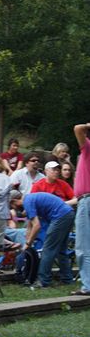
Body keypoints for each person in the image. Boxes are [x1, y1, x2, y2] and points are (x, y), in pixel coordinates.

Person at [9, 190, 75, 288]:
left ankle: (43, 281)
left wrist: (28, 243)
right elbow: (30, 226)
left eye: (12, 206)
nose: (14, 209)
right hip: (68, 213)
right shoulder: (30, 198)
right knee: (61, 250)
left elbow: (37, 226)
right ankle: (67, 279)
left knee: (48, 249)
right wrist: (27, 242)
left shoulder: (27, 202)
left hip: (60, 216)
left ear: (15, 201)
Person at [72, 122, 90, 296]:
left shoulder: (88, 147)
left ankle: (88, 285)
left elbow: (78, 128)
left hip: (87, 200)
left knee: (83, 246)